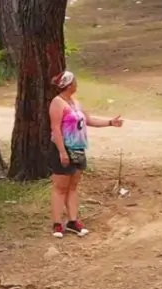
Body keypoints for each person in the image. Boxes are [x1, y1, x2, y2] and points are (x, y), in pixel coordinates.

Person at [47, 70, 125, 239]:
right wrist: (61, 151)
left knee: (73, 186)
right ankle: (57, 223)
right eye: (74, 81)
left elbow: (88, 121)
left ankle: (73, 221)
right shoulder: (57, 103)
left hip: (78, 148)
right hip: (64, 149)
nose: (77, 84)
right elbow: (55, 128)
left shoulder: (75, 102)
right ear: (68, 84)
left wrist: (110, 122)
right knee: (60, 187)